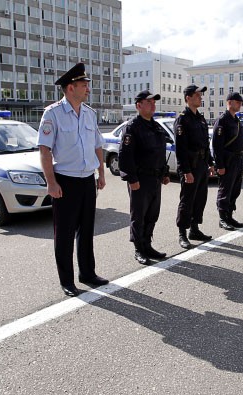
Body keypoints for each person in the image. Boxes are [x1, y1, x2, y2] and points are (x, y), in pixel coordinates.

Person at [38, 62, 108, 297]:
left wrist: (101, 173)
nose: (88, 89)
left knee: (87, 230)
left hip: (87, 180)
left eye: (87, 85)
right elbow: (45, 150)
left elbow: (97, 145)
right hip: (65, 181)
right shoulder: (53, 113)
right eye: (83, 85)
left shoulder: (90, 113)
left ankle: (87, 273)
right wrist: (51, 182)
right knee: (65, 234)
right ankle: (67, 280)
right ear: (70, 88)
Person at [119, 90, 171, 265]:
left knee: (152, 214)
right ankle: (139, 249)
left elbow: (160, 152)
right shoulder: (132, 127)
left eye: (154, 102)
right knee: (139, 216)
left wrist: (164, 173)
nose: (153, 105)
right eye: (149, 102)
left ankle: (147, 245)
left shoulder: (155, 126)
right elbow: (125, 156)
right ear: (138, 105)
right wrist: (131, 179)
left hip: (155, 179)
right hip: (140, 180)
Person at [174, 85, 215, 249]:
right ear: (188, 98)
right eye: (197, 95)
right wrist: (186, 171)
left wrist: (210, 163)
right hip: (190, 166)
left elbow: (206, 144)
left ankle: (195, 229)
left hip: (202, 165)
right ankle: (182, 233)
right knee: (187, 200)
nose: (200, 97)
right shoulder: (183, 119)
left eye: (200, 95)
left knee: (200, 199)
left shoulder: (200, 118)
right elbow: (180, 149)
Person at [212, 92, 243, 231]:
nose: (240, 104)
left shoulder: (235, 120)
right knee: (225, 190)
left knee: (235, 189)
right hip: (227, 160)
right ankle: (222, 218)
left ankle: (229, 215)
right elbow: (217, 145)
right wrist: (220, 165)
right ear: (230, 102)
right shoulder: (222, 120)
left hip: (237, 159)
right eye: (238, 102)